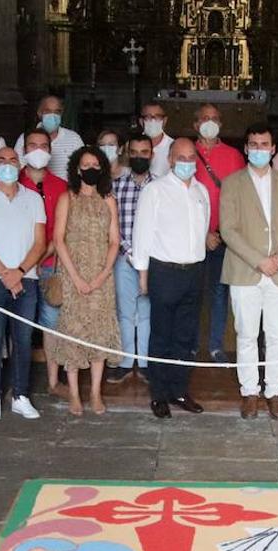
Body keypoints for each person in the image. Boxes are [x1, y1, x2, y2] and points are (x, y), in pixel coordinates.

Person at [220, 124, 278, 420]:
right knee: (246, 334)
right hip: (246, 271)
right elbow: (228, 229)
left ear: (272, 149)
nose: (258, 149)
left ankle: (275, 392)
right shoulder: (232, 183)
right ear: (246, 148)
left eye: (263, 144)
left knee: (277, 335)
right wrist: (259, 261)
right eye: (252, 144)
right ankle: (250, 392)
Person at [133, 138, 211, 419]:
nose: (187, 162)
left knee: (186, 336)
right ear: (170, 159)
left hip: (194, 271)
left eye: (192, 157)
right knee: (161, 335)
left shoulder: (201, 191)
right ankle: (159, 394)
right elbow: (141, 234)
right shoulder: (155, 191)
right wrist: (143, 275)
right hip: (163, 272)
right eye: (181, 157)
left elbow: (202, 233)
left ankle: (179, 390)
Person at [0, 146, 47, 420]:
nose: (7, 164)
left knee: (23, 340)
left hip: (27, 279)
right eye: (1, 160)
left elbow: (40, 242)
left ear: (21, 165)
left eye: (13, 160)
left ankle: (20, 395)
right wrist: (6, 272)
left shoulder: (33, 198)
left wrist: (21, 271)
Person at [48, 147, 122, 416]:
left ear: (101, 169)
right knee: (73, 331)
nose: (90, 168)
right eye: (85, 164)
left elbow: (114, 240)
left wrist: (102, 274)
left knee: (99, 333)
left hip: (102, 276)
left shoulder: (108, 200)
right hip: (73, 274)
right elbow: (58, 239)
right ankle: (75, 395)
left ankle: (95, 393)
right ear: (77, 169)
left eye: (95, 164)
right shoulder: (68, 198)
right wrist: (77, 278)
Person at [192, 102, 246, 363]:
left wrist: (222, 233)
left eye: (214, 118)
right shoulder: (186, 153)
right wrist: (202, 234)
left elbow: (238, 198)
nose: (209, 122)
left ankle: (215, 345)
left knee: (218, 293)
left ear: (221, 124)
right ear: (195, 124)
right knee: (191, 293)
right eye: (204, 118)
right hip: (192, 237)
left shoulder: (234, 155)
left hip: (223, 237)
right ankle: (189, 345)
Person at [19, 127, 71, 394]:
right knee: (21, 325)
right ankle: (18, 385)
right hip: (20, 266)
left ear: (50, 152)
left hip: (51, 263)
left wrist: (45, 253)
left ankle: (53, 382)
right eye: (32, 145)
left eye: (43, 145)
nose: (37, 150)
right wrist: (28, 260)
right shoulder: (13, 183)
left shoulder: (61, 186)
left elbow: (63, 228)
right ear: (24, 150)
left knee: (52, 322)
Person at [107, 133, 154, 384]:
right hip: (123, 257)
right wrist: (129, 251)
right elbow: (112, 224)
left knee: (146, 312)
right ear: (128, 154)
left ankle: (145, 362)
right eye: (134, 152)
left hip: (151, 259)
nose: (139, 157)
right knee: (125, 312)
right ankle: (125, 361)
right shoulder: (116, 186)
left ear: (152, 155)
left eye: (144, 152)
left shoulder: (159, 186)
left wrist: (145, 255)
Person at [12, 94, 85, 182]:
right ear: (39, 113)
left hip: (67, 191)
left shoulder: (74, 139)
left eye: (57, 112)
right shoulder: (24, 138)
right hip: (31, 191)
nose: (53, 116)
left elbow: (82, 169)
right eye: (48, 111)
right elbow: (17, 168)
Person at [140, 101, 174, 177]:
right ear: (141, 121)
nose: (153, 120)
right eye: (148, 117)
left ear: (164, 121)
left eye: (157, 116)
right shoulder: (131, 146)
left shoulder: (174, 147)